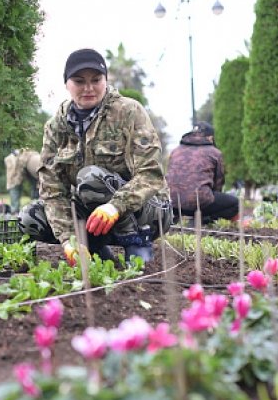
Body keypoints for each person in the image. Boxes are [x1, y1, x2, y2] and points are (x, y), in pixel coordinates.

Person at [18, 48, 171, 266]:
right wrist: (69, 240)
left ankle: (135, 243)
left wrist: (115, 206)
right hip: (94, 216)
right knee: (31, 217)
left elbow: (151, 174)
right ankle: (97, 253)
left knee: (90, 178)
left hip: (147, 212)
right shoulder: (56, 127)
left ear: (106, 80)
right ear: (67, 84)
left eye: (96, 80)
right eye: (79, 81)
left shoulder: (128, 111)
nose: (88, 88)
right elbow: (52, 190)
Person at [165, 122, 239, 224]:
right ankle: (203, 219)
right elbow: (218, 184)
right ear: (210, 138)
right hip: (200, 203)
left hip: (172, 203)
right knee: (236, 204)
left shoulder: (175, 151)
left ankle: (173, 219)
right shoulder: (215, 152)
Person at [4, 148, 41, 213]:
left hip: (38, 171)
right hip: (36, 170)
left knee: (15, 187)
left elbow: (14, 186)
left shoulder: (19, 159)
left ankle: (15, 210)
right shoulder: (17, 159)